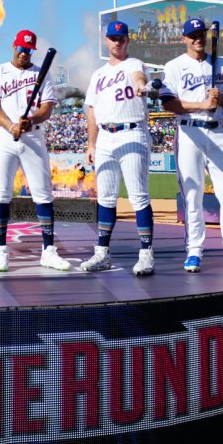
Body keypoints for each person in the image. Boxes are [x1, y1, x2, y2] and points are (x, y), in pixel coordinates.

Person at [160, 18, 223, 272]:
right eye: (192, 35)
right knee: (192, 195)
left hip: (218, 132)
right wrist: (203, 104)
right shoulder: (174, 66)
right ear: (184, 38)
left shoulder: (221, 64)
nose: (197, 39)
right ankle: (194, 251)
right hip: (190, 132)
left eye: (201, 34)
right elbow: (168, 103)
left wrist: (219, 98)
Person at [0, 28, 71, 272]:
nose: (25, 53)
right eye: (22, 49)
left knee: (43, 194)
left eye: (29, 50)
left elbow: (47, 108)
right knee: (1, 194)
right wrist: (10, 125)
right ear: (14, 46)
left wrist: (31, 120)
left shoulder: (41, 73)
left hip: (32, 137)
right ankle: (1, 250)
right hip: (4, 137)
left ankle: (48, 251)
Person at [81, 20, 156, 276]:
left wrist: (139, 84)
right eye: (113, 38)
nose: (117, 42)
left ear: (127, 41)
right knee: (105, 199)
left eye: (121, 38)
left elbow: (139, 77)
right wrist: (91, 143)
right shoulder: (98, 74)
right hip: (104, 136)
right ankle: (102, 253)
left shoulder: (133, 64)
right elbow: (91, 110)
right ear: (106, 41)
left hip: (131, 132)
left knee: (138, 196)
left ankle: (146, 254)